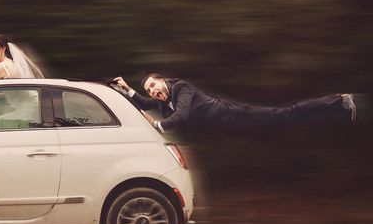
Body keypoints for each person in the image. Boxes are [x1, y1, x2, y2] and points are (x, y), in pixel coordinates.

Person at [113, 74, 357, 133]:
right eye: (149, 90)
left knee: (288, 114)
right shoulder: (166, 102)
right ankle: (340, 112)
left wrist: (157, 126)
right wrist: (127, 89)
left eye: (154, 85)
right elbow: (144, 103)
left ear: (163, 81)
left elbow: (182, 117)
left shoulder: (180, 89)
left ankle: (339, 101)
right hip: (235, 125)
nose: (153, 91)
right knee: (290, 122)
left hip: (239, 115)